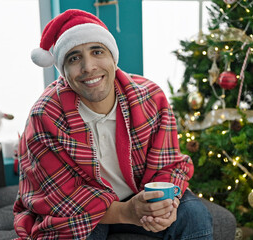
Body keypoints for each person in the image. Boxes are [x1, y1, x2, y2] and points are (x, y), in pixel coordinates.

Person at [13, 9, 213, 240]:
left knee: (195, 215)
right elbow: (59, 195)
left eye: (97, 52)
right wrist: (126, 212)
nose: (88, 67)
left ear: (113, 58)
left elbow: (167, 164)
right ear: (63, 72)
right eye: (74, 58)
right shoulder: (45, 116)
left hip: (141, 192)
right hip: (84, 207)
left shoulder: (150, 98)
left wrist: (164, 204)